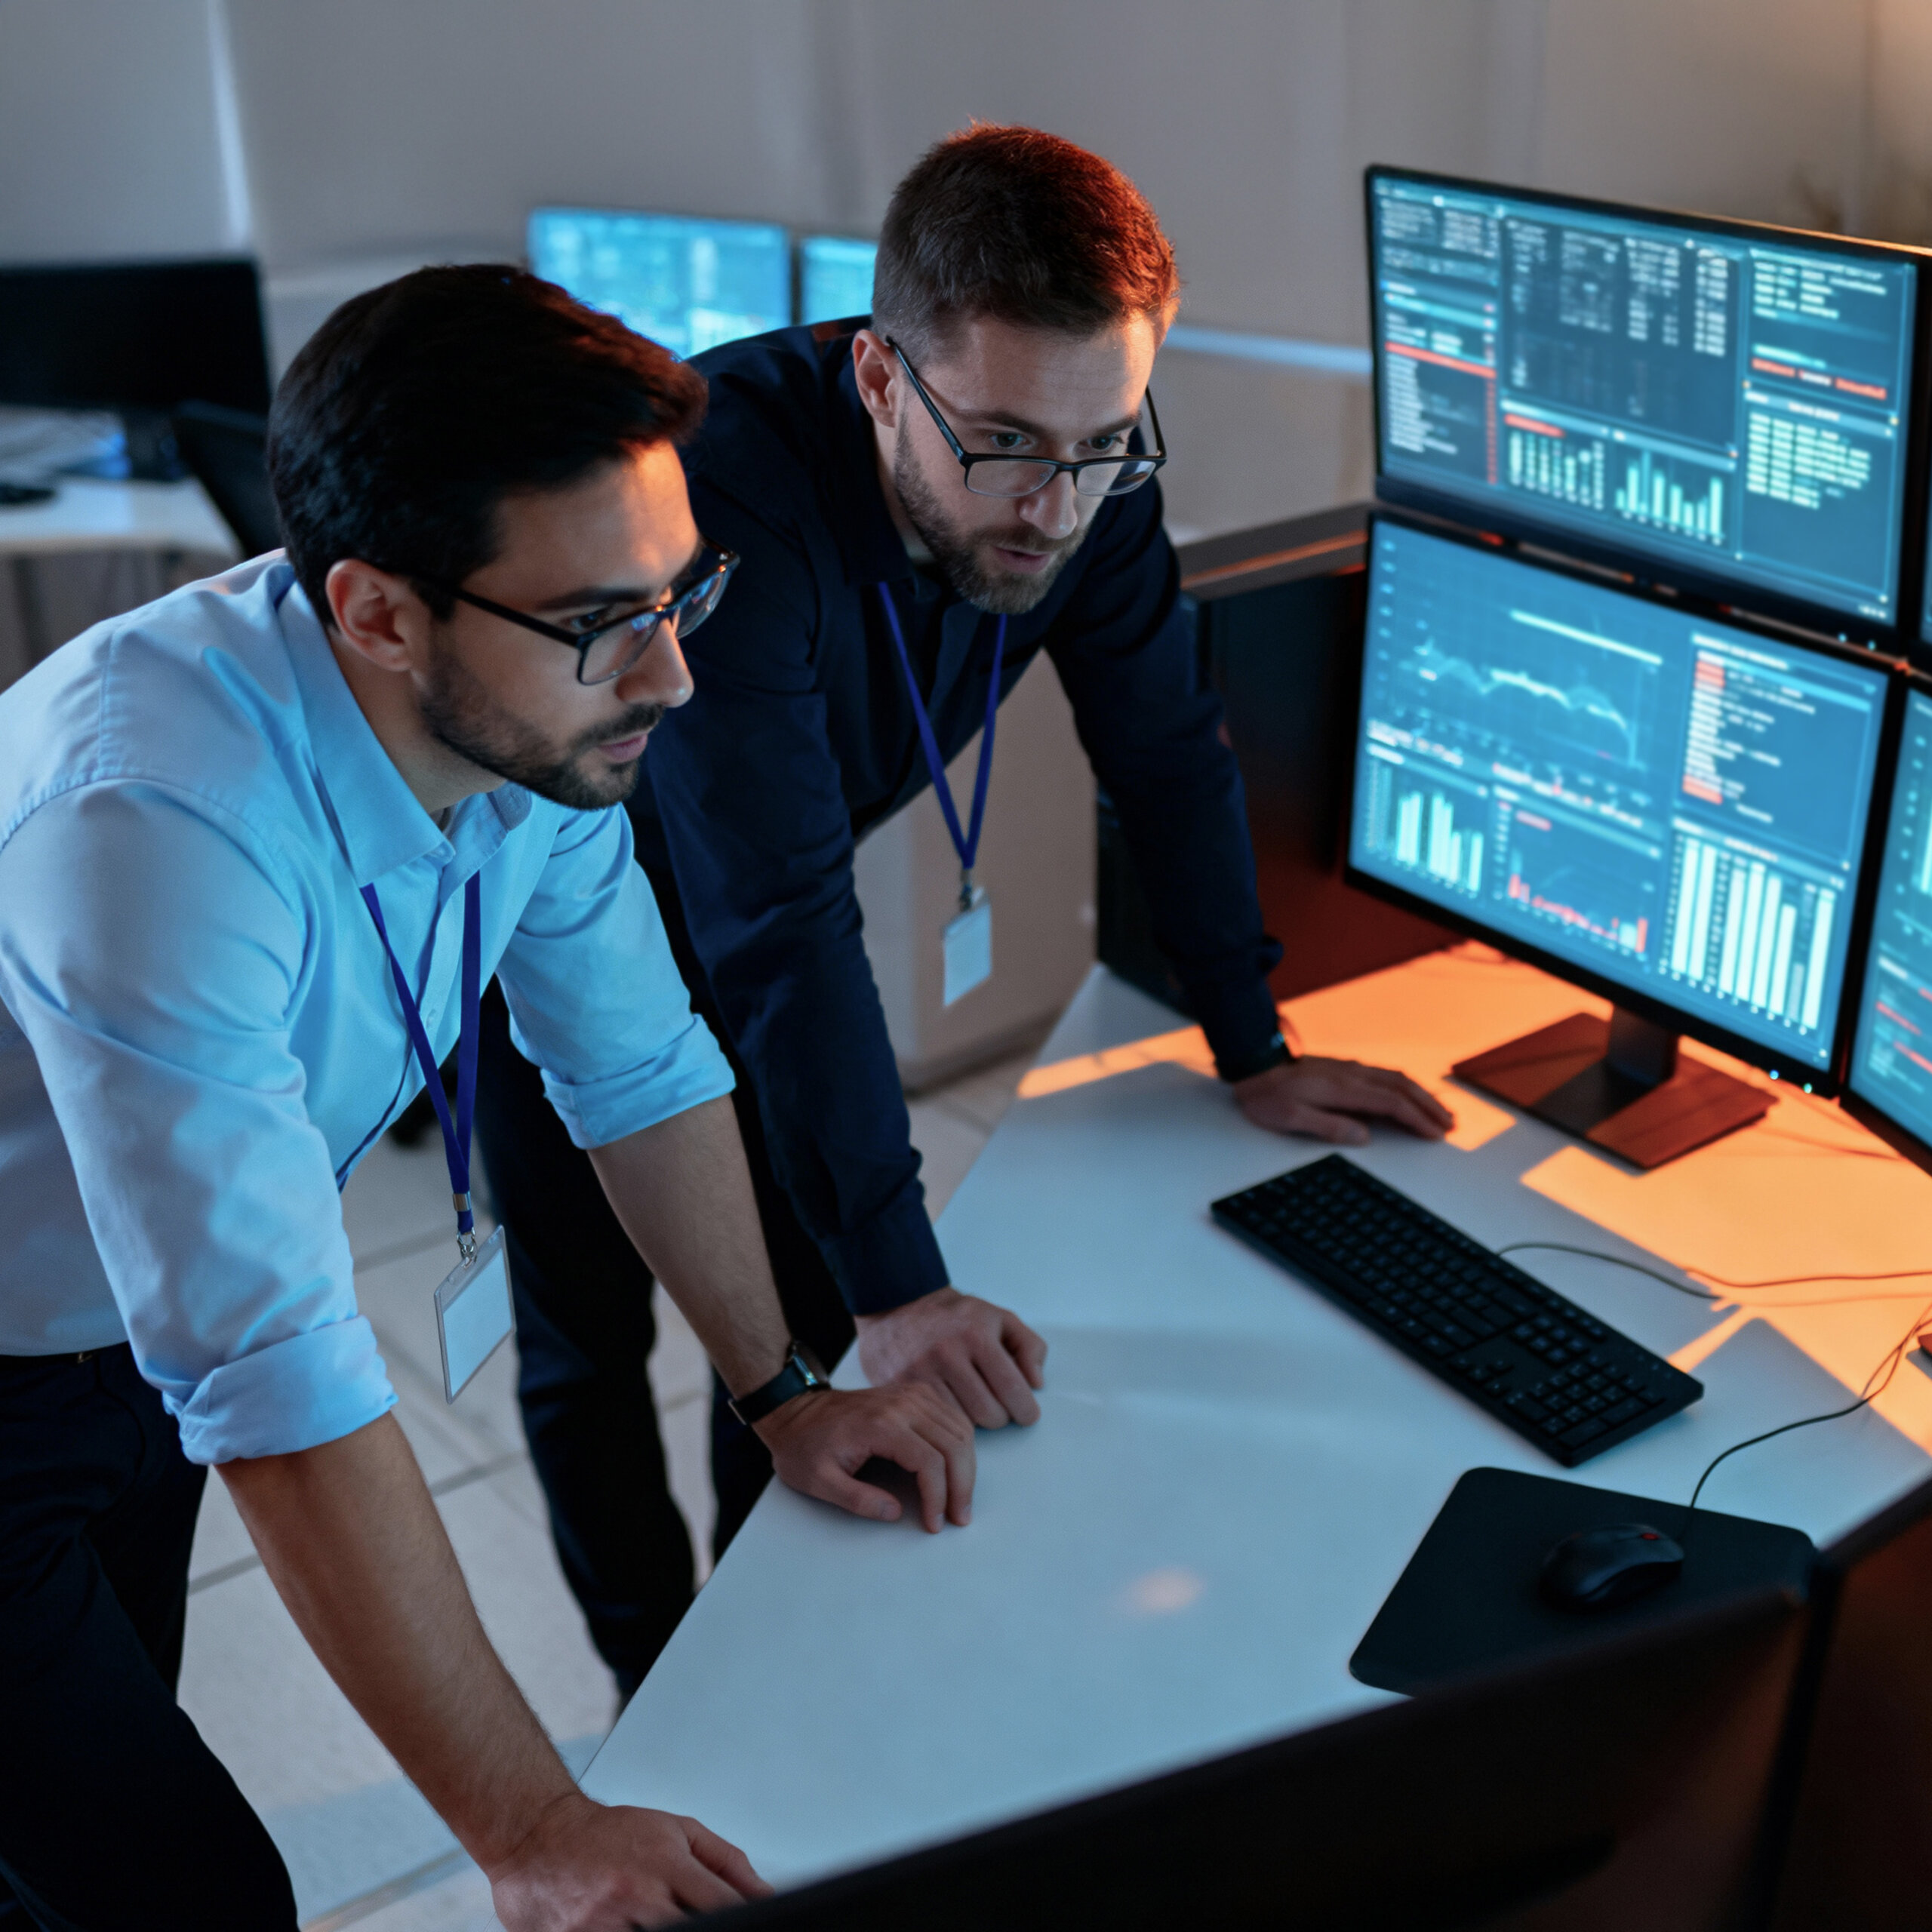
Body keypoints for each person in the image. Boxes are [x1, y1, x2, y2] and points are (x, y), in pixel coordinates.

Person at [0, 265, 977, 1932]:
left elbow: (642, 1065)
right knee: (181, 1891)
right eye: (608, 620)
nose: (671, 675)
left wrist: (784, 1392)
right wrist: (530, 1824)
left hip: (119, 1336)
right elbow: (278, 1374)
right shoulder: (149, 821)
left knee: (80, 1781)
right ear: (380, 613)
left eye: (683, 594)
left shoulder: (539, 719)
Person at [474, 123, 1454, 1696]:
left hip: (754, 928)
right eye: (1000, 442)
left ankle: (759, 1657)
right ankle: (650, 1685)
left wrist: (1247, 1034)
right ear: (877, 377)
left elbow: (1165, 747)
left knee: (795, 1354)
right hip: (558, 932)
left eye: (1097, 446)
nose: (1052, 508)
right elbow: (782, 919)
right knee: (589, 1344)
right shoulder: (722, 498)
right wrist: (903, 1277)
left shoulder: (1080, 450)